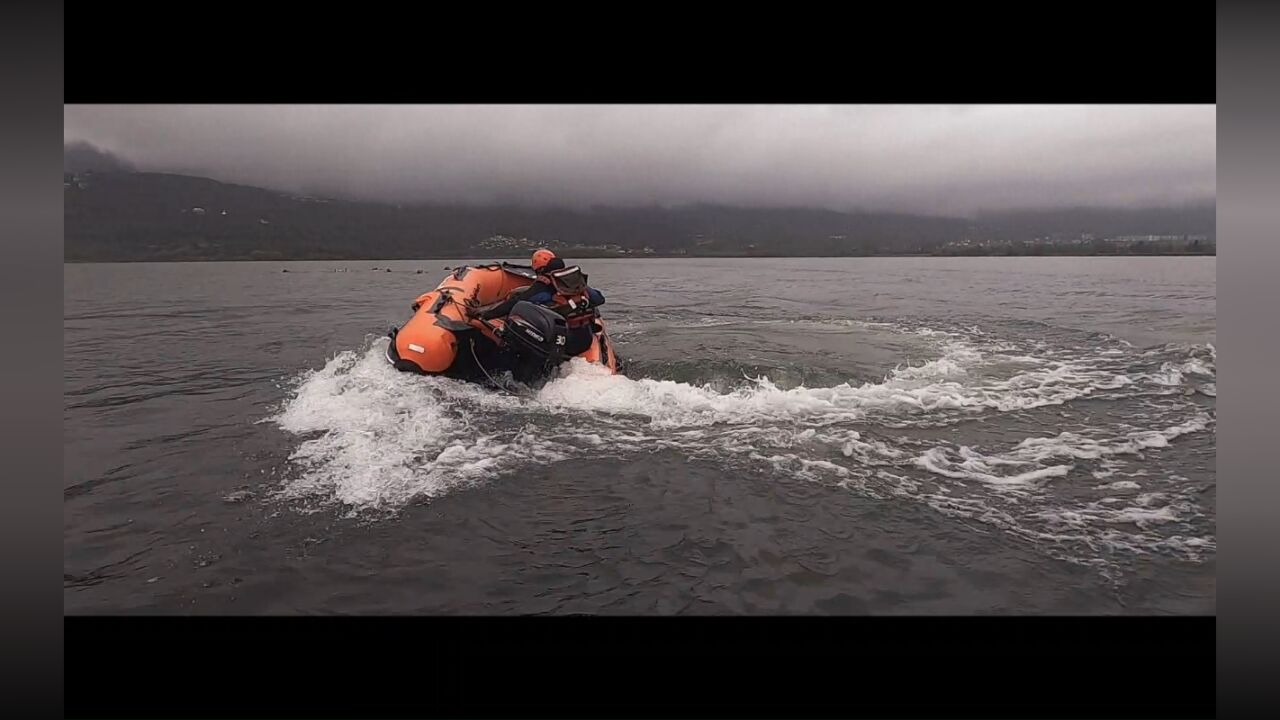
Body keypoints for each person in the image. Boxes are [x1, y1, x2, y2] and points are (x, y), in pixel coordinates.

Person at [472, 248, 605, 356]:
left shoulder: (542, 287)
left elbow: (514, 303)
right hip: (585, 338)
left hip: (564, 343)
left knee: (520, 310)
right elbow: (599, 299)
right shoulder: (577, 284)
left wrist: (485, 315)